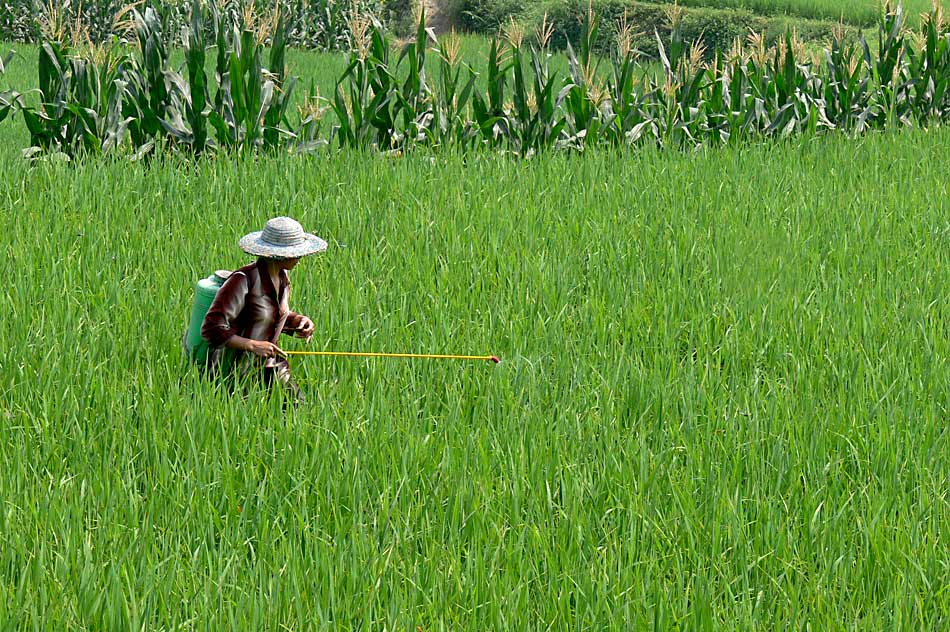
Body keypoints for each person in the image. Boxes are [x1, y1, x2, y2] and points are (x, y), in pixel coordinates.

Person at [200, 216, 326, 403]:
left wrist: (298, 322)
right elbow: (211, 328)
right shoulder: (243, 280)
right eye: (295, 252)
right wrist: (252, 345)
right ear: (278, 254)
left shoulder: (282, 279)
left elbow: (269, 316)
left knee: (298, 406)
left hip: (269, 364)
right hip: (234, 369)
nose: (299, 257)